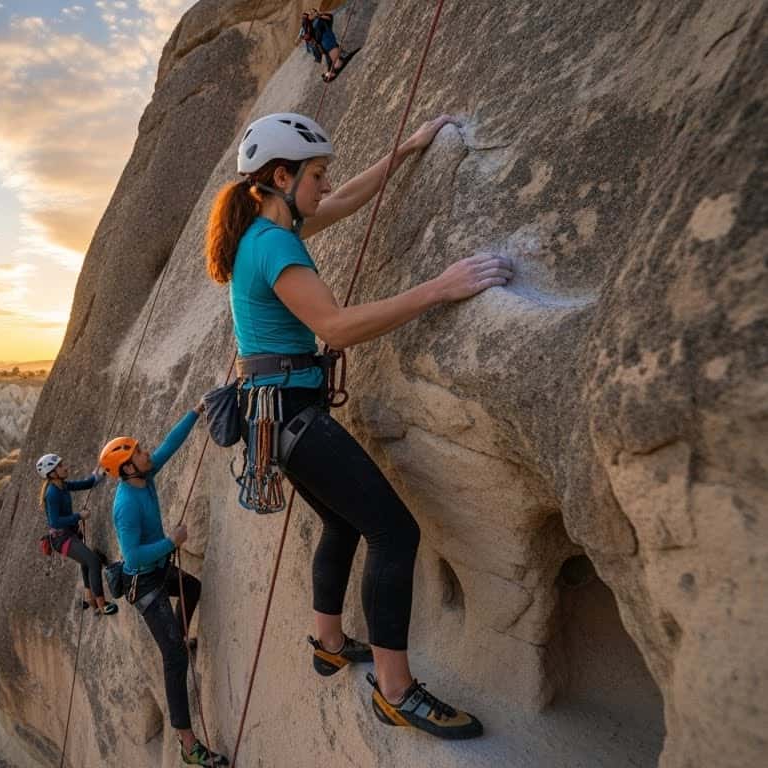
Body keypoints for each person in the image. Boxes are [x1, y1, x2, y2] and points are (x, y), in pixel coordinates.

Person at [203, 111, 512, 740]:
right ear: (282, 176)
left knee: (341, 522)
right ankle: (397, 692)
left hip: (277, 416)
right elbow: (336, 328)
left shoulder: (263, 229)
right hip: (292, 416)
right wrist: (440, 288)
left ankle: (327, 642)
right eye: (315, 174)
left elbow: (344, 201)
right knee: (394, 533)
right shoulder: (276, 243)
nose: (324, 185)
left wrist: (404, 151)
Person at [101, 402, 227, 766]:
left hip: (158, 570)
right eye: (138, 452)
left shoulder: (145, 476)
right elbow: (134, 556)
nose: (145, 452)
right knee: (173, 660)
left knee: (192, 588)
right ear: (126, 468)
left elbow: (169, 446)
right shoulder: (126, 504)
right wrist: (172, 542)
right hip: (145, 583)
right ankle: (189, 746)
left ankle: (180, 636)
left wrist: (196, 412)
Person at [37, 453, 117, 616]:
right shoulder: (52, 493)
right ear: (52, 473)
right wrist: (78, 516)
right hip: (61, 538)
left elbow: (85, 484)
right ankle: (102, 605)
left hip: (69, 534)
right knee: (93, 561)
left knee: (86, 562)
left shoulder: (63, 485)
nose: (64, 467)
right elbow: (54, 522)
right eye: (59, 466)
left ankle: (90, 599)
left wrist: (99, 475)